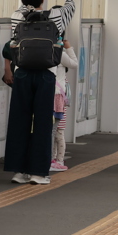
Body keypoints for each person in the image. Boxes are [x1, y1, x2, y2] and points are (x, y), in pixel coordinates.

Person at [4, 0, 75, 185]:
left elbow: (24, 8)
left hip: (22, 73)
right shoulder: (56, 16)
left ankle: (19, 172)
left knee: (20, 122)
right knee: (43, 124)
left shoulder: (17, 16)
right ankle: (39, 173)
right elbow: (71, 6)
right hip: (46, 74)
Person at [51, 39, 79, 172]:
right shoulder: (59, 53)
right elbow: (74, 63)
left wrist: (68, 48)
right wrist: (69, 48)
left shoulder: (57, 53)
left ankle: (58, 160)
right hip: (58, 98)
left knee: (57, 132)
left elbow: (74, 63)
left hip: (56, 98)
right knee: (56, 132)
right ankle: (54, 159)